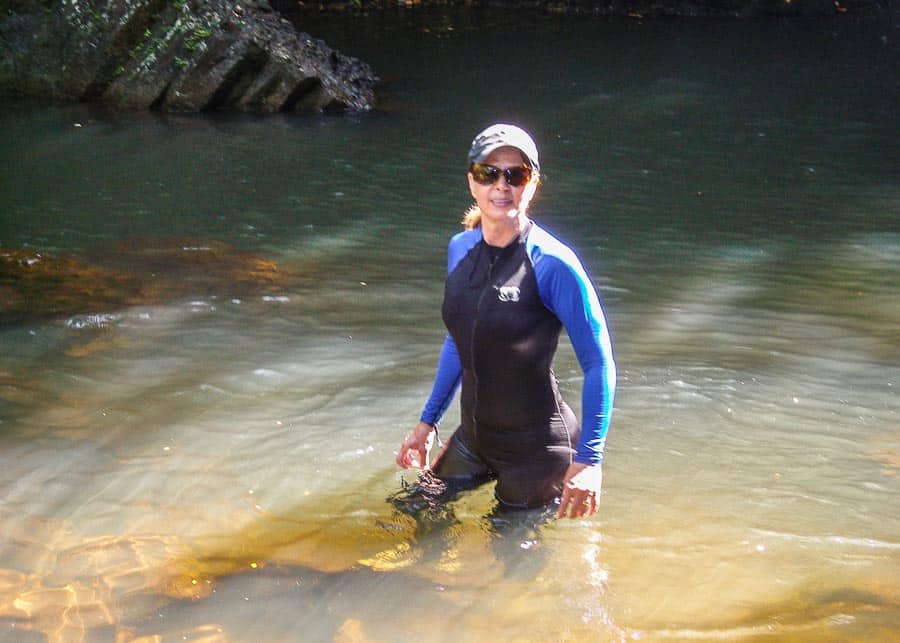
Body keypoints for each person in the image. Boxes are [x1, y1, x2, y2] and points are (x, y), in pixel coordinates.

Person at [395, 123, 615, 519]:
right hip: (474, 440)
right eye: (488, 173)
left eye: (516, 175)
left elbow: (599, 362)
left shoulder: (552, 263)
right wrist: (427, 423)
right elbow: (458, 341)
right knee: (413, 510)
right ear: (471, 182)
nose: (501, 185)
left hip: (537, 451)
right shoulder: (460, 249)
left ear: (531, 185)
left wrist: (590, 460)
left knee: (509, 558)